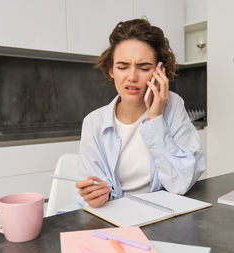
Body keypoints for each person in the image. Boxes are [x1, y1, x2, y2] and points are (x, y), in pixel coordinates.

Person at [76, 18, 206, 208]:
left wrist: (155, 118)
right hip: (115, 218)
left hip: (160, 218)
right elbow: (87, 197)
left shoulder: (173, 106)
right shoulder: (93, 123)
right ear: (111, 70)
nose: (132, 77)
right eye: (122, 67)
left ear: (159, 70)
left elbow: (180, 184)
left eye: (144, 68)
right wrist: (94, 196)